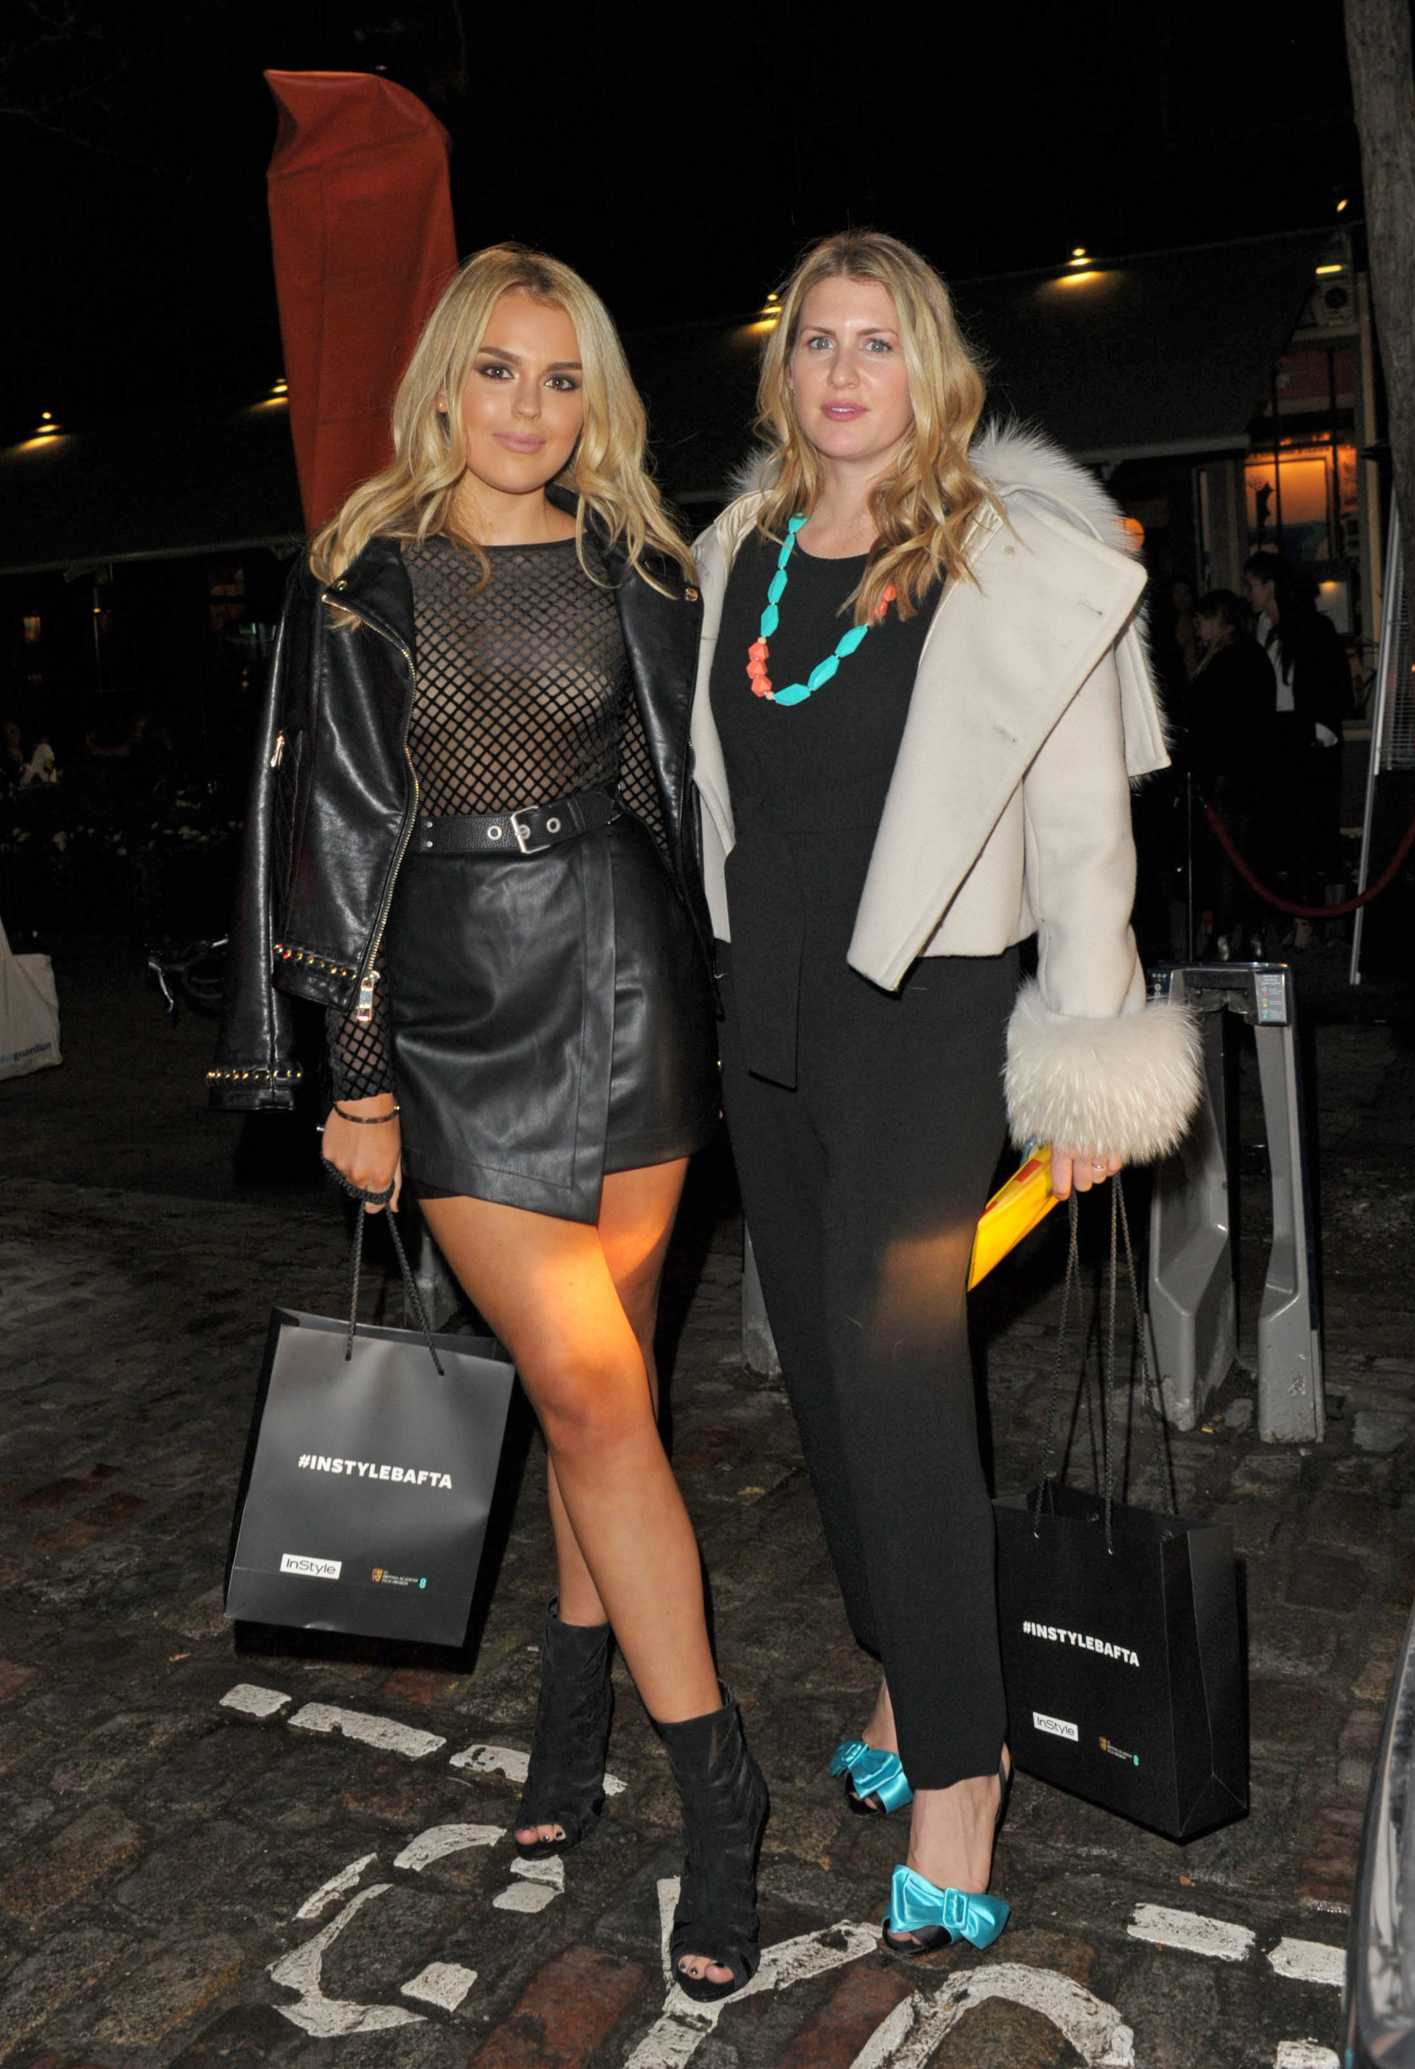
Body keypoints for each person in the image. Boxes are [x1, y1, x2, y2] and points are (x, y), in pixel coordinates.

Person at [211, 245, 766, 2002]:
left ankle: (572, 1722)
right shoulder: (360, 575)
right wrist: (358, 1073)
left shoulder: (636, 566)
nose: (529, 406)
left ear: (595, 400)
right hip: (450, 1005)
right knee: (592, 1387)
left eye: (561, 376)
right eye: (500, 370)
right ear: (445, 381)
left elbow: (676, 789)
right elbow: (338, 833)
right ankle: (723, 1793)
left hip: (628, 977)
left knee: (604, 1396)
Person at [689, 231, 1201, 1956]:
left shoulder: (1003, 552)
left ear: (933, 368)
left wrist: (1090, 1063)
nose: (845, 371)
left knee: (897, 1366)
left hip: (932, 1008)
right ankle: (908, 1673)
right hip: (770, 1007)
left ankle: (962, 1776)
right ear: (786, 373)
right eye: (817, 341)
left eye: (879, 341)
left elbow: (1085, 832)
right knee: (826, 1376)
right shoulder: (741, 555)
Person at [1244, 550, 1351, 929]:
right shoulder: (1260, 628)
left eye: (1253, 586)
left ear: (1270, 586)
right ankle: (1293, 917)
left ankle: (1320, 918)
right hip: (1275, 734)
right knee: (1281, 830)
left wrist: (1321, 728)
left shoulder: (1311, 627)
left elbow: (1332, 682)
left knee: (1313, 828)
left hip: (1307, 735)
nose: (1249, 594)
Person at [1187, 589, 1278, 955]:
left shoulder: (1224, 662)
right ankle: (1251, 934)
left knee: (1226, 859)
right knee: (1249, 858)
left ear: (1220, 620)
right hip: (1253, 772)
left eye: (1203, 620)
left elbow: (1207, 723)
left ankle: (1223, 934)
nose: (1198, 628)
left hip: (1226, 773)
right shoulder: (1254, 657)